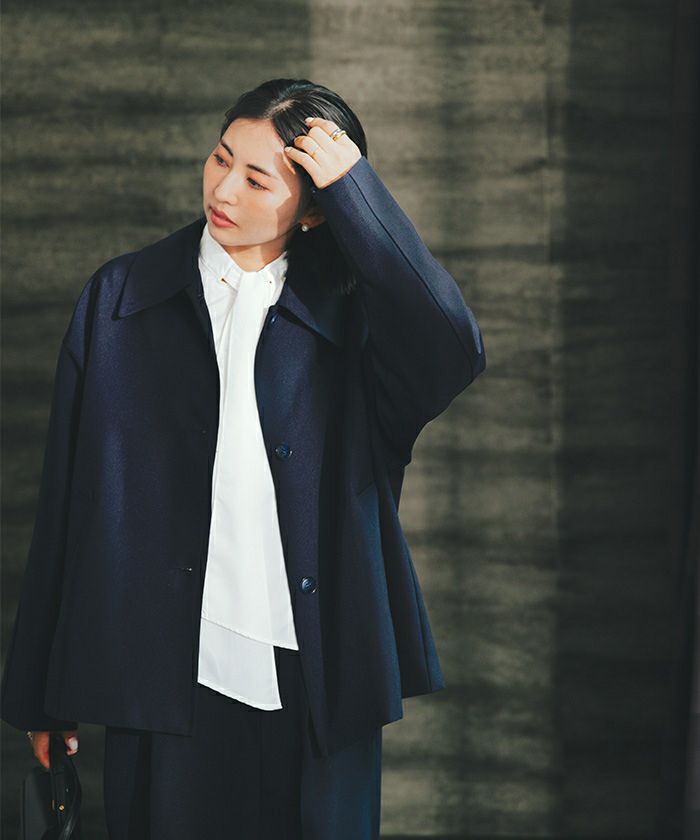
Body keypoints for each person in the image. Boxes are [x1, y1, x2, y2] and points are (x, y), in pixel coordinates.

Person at [1, 78, 486, 838]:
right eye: (220, 158)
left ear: (314, 209)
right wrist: (40, 694)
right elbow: (65, 501)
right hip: (162, 676)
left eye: (258, 179)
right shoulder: (121, 299)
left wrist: (359, 194)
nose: (223, 190)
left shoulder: (354, 318)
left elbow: (453, 348)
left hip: (320, 680)